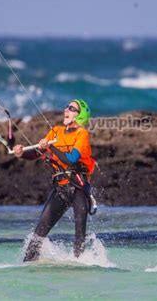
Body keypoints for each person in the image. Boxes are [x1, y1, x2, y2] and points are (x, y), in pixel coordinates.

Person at [13, 99, 96, 262]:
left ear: (80, 115)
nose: (66, 109)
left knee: (80, 233)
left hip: (79, 188)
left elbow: (72, 159)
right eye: (66, 106)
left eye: (72, 108)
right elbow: (36, 153)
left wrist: (50, 147)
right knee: (39, 233)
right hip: (61, 189)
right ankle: (28, 264)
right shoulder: (56, 132)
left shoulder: (82, 134)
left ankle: (80, 265)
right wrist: (21, 153)